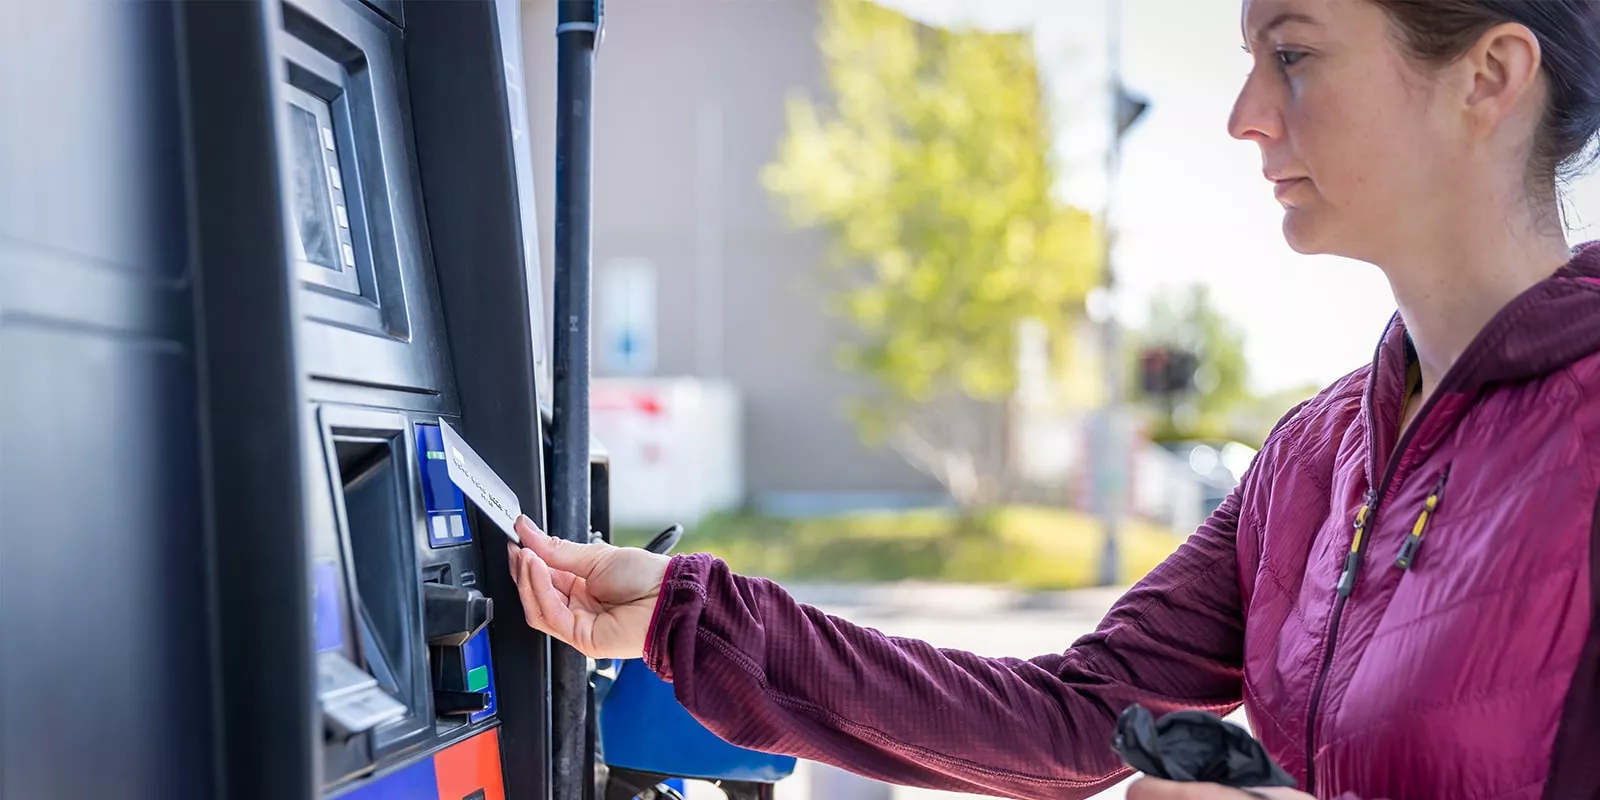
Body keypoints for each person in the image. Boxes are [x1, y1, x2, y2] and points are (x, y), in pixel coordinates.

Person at [506, 0, 1600, 797]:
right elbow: (1074, 717)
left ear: (1489, 76)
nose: (1243, 114)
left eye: (1293, 52)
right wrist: (688, 612)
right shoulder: (1314, 457)